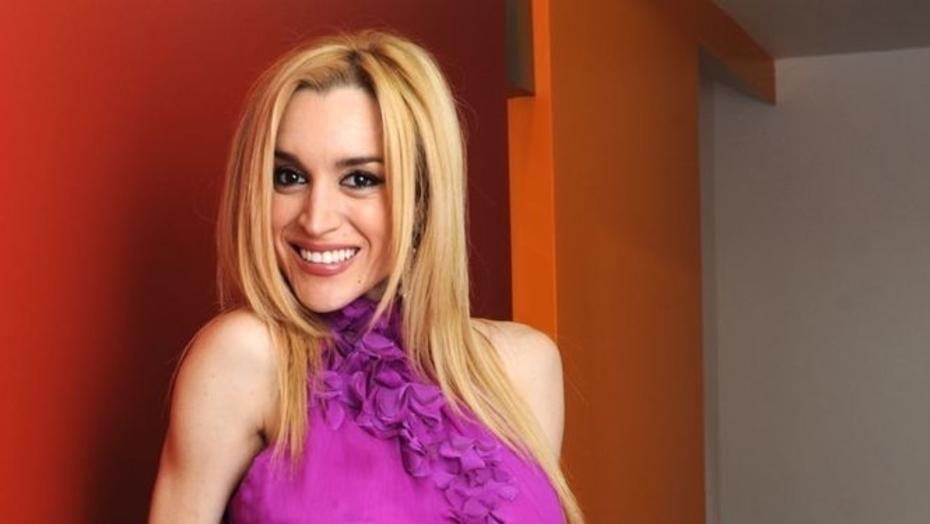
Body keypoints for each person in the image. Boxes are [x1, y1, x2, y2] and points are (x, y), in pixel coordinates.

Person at [148, 29, 584, 523]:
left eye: (360, 179)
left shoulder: (524, 368)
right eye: (289, 177)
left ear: (423, 198)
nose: (316, 219)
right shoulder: (246, 358)